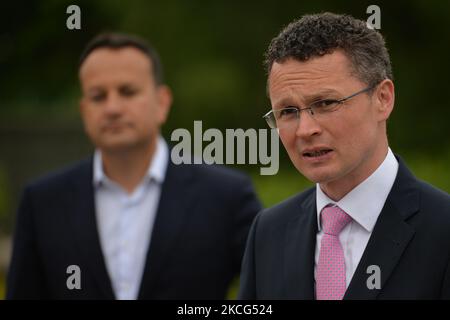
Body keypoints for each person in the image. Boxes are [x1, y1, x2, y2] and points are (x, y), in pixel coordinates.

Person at [7, 32, 262, 299]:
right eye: (98, 96)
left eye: (128, 92)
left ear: (162, 103)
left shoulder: (225, 195)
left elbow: (270, 288)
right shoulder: (43, 202)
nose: (112, 107)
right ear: (84, 111)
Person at [239, 12, 450, 300]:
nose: (305, 129)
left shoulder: (442, 229)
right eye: (287, 112)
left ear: (383, 99)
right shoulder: (268, 232)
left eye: (325, 103)